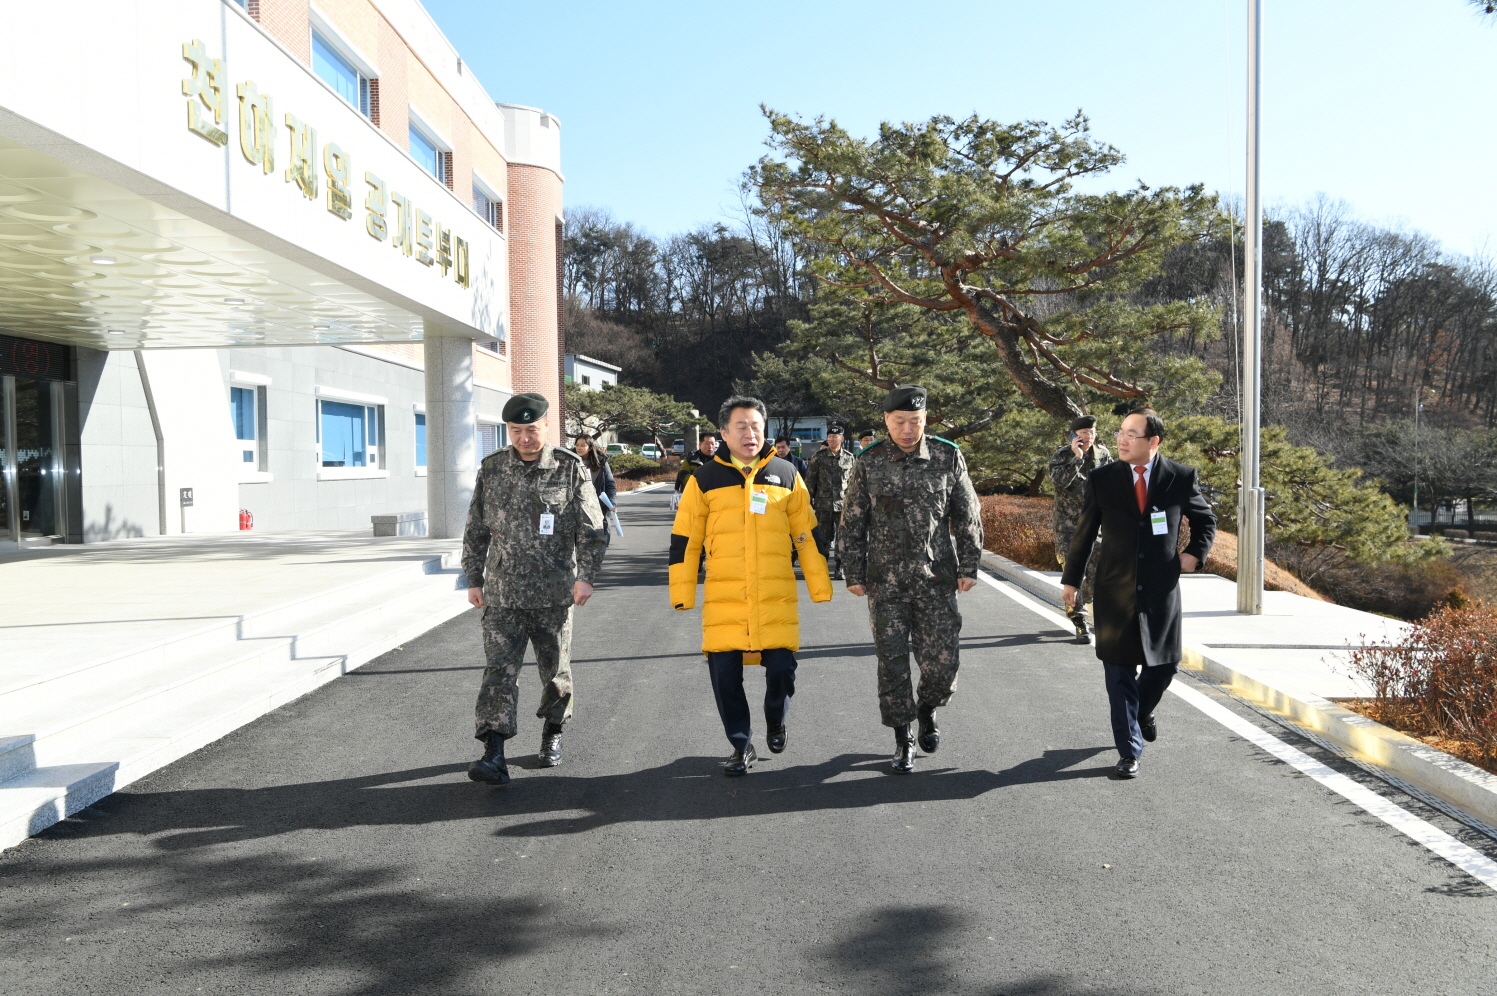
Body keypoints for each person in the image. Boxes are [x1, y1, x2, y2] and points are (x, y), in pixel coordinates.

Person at [669, 395, 832, 775]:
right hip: (725, 600)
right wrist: (682, 592)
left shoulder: (787, 474)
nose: (750, 434)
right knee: (725, 677)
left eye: (756, 426)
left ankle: (775, 719)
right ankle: (741, 744)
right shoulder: (704, 478)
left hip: (774, 598)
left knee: (781, 670)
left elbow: (806, 534)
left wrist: (820, 585)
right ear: (724, 432)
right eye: (741, 426)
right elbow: (685, 539)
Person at [461, 393, 609, 785]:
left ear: (546, 425)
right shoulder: (492, 469)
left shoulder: (569, 468)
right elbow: (475, 530)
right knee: (498, 673)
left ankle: (553, 731)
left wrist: (586, 576)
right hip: (503, 594)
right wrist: (473, 579)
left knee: (555, 674)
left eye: (531, 429)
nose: (524, 438)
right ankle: (493, 751)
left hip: (554, 594)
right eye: (515, 431)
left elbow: (592, 530)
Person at [1062, 408, 1216, 780]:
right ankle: (1129, 751)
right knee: (1118, 673)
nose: (1122, 439)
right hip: (1113, 592)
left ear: (1154, 441)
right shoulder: (1103, 479)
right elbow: (1083, 533)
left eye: (1133, 434)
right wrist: (1071, 580)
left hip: (1160, 591)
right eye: (1121, 432)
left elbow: (1205, 519)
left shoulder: (1180, 477)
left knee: (1164, 666)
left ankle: (1143, 710)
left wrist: (1194, 554)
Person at [839, 386, 983, 774]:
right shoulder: (869, 462)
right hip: (885, 584)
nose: (907, 429)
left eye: (915, 422)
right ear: (886, 421)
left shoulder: (946, 456)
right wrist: (852, 571)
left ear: (926, 420)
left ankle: (927, 707)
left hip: (935, 580)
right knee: (892, 663)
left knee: (942, 664)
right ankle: (902, 738)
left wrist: (969, 565)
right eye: (899, 422)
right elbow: (852, 521)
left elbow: (968, 515)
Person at [1049, 415, 1112, 641]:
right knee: (1075, 574)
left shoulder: (1103, 455)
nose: (1089, 437)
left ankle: (1083, 606)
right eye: (1084, 433)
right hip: (1069, 528)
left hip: (1096, 527)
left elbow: (1114, 482)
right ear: (1074, 435)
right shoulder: (1062, 456)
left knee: (1094, 576)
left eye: (1092, 433)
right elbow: (1059, 483)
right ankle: (1079, 619)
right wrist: (1077, 458)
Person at [804, 423, 857, 580]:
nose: (831, 439)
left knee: (842, 538)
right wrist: (808, 501)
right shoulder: (818, 457)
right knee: (823, 538)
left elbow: (854, 483)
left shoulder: (849, 458)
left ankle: (839, 567)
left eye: (834, 436)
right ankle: (822, 567)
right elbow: (810, 481)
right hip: (823, 505)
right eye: (829, 436)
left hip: (843, 505)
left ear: (842, 438)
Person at [573, 436, 618, 538]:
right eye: (577, 445)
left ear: (589, 447)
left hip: (598, 508)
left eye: (583, 445)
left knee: (599, 541)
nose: (579, 448)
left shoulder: (601, 463)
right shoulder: (570, 462)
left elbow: (610, 485)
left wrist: (612, 503)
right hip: (576, 510)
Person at [674, 433, 718, 500]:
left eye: (712, 444)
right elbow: (682, 474)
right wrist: (699, 483)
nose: (710, 446)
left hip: (714, 497)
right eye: (707, 443)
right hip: (693, 496)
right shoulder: (690, 458)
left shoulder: (719, 460)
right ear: (700, 444)